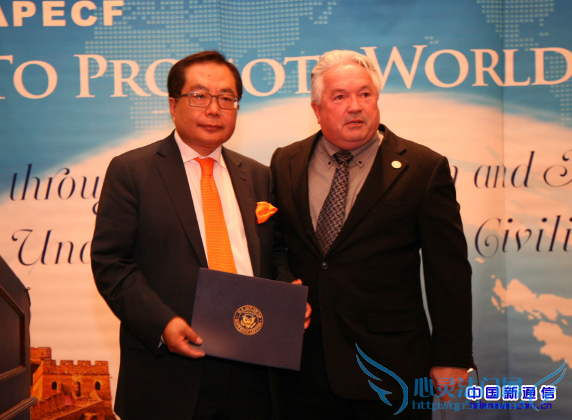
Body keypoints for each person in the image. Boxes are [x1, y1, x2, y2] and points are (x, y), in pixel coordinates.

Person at [91, 50, 301, 420]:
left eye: (227, 98)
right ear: (173, 105)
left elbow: (277, 252)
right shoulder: (132, 171)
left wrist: (289, 298)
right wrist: (163, 324)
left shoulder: (258, 175)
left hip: (255, 369)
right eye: (199, 96)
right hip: (170, 373)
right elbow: (111, 263)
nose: (214, 109)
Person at [270, 50, 475, 419]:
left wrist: (452, 356)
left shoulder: (422, 169)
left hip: (389, 368)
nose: (355, 106)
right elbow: (277, 245)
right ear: (317, 109)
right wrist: (285, 285)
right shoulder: (285, 161)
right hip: (301, 369)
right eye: (340, 96)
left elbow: (449, 271)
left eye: (365, 94)